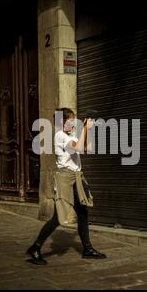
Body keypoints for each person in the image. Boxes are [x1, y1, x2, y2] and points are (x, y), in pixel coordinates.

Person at [26, 107, 107, 265]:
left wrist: (88, 131)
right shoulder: (60, 136)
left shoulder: (69, 135)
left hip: (76, 177)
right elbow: (77, 148)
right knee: (58, 217)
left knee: (83, 213)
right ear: (62, 122)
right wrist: (84, 128)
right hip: (65, 178)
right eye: (71, 120)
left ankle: (88, 249)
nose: (74, 123)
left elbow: (87, 149)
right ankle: (35, 247)